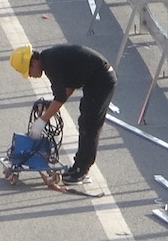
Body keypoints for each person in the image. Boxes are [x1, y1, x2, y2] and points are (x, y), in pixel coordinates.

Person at [9, 42, 115, 187]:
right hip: (94, 79)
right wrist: (49, 108)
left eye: (29, 72)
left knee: (89, 126)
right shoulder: (49, 59)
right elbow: (68, 87)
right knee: (85, 121)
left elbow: (61, 96)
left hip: (102, 80)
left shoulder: (51, 64)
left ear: (33, 62)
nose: (31, 76)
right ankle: (79, 166)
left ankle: (81, 171)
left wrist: (42, 120)